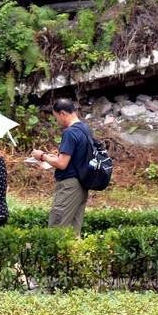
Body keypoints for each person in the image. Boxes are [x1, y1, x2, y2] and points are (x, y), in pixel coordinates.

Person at [31, 97, 93, 235]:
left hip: (69, 186)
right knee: (73, 231)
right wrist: (53, 157)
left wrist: (42, 156)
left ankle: (56, 257)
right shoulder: (85, 129)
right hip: (82, 184)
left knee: (56, 229)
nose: (57, 121)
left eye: (56, 117)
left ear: (63, 113)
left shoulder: (70, 132)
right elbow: (75, 158)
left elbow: (62, 164)